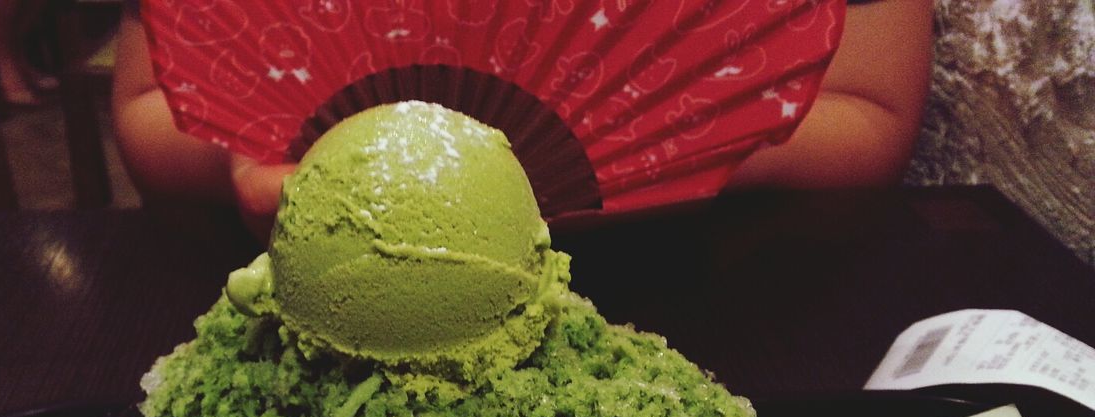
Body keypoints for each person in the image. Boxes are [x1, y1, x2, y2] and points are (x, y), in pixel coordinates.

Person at [111, 0, 931, 239]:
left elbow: (867, 117)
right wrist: (248, 152)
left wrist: (669, 146)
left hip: (698, 291)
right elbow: (151, 112)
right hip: (315, 286)